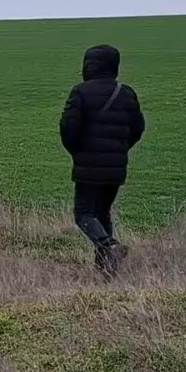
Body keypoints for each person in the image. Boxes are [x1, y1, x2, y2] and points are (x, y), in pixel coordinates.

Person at [58, 44, 145, 278]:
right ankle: (105, 271)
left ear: (88, 65)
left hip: (88, 165)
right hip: (116, 166)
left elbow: (68, 128)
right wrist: (120, 150)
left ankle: (109, 246)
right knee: (103, 213)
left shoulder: (80, 92)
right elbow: (138, 128)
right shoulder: (126, 93)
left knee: (84, 214)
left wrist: (78, 152)